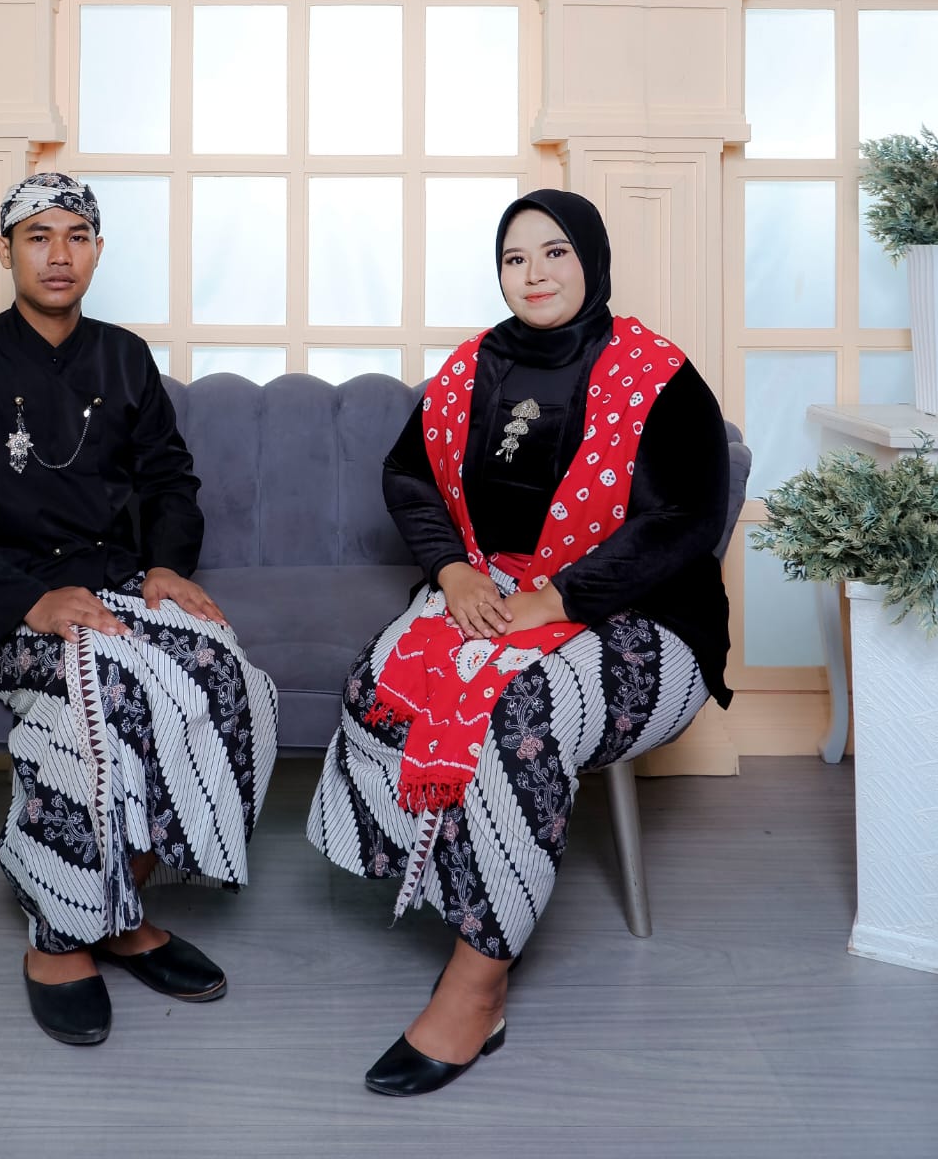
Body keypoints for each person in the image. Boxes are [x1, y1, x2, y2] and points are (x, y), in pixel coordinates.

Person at [307, 188, 732, 1096]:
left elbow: (687, 520)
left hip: (644, 618)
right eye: (514, 258)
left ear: (592, 260)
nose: (533, 274)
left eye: (555, 252)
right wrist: (451, 572)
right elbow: (408, 476)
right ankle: (468, 886)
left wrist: (563, 596)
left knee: (520, 719)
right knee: (380, 686)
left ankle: (477, 986)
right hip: (493, 587)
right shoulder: (473, 367)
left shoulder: (659, 373)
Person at [0, 173, 277, 1048]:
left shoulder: (123, 357)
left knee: (223, 671)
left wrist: (165, 566)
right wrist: (30, 599)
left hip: (111, 587)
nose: (59, 255)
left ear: (97, 250)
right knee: (103, 696)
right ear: (5, 250)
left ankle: (122, 906)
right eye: (38, 236)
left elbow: (169, 477)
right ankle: (60, 935)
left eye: (77, 236)